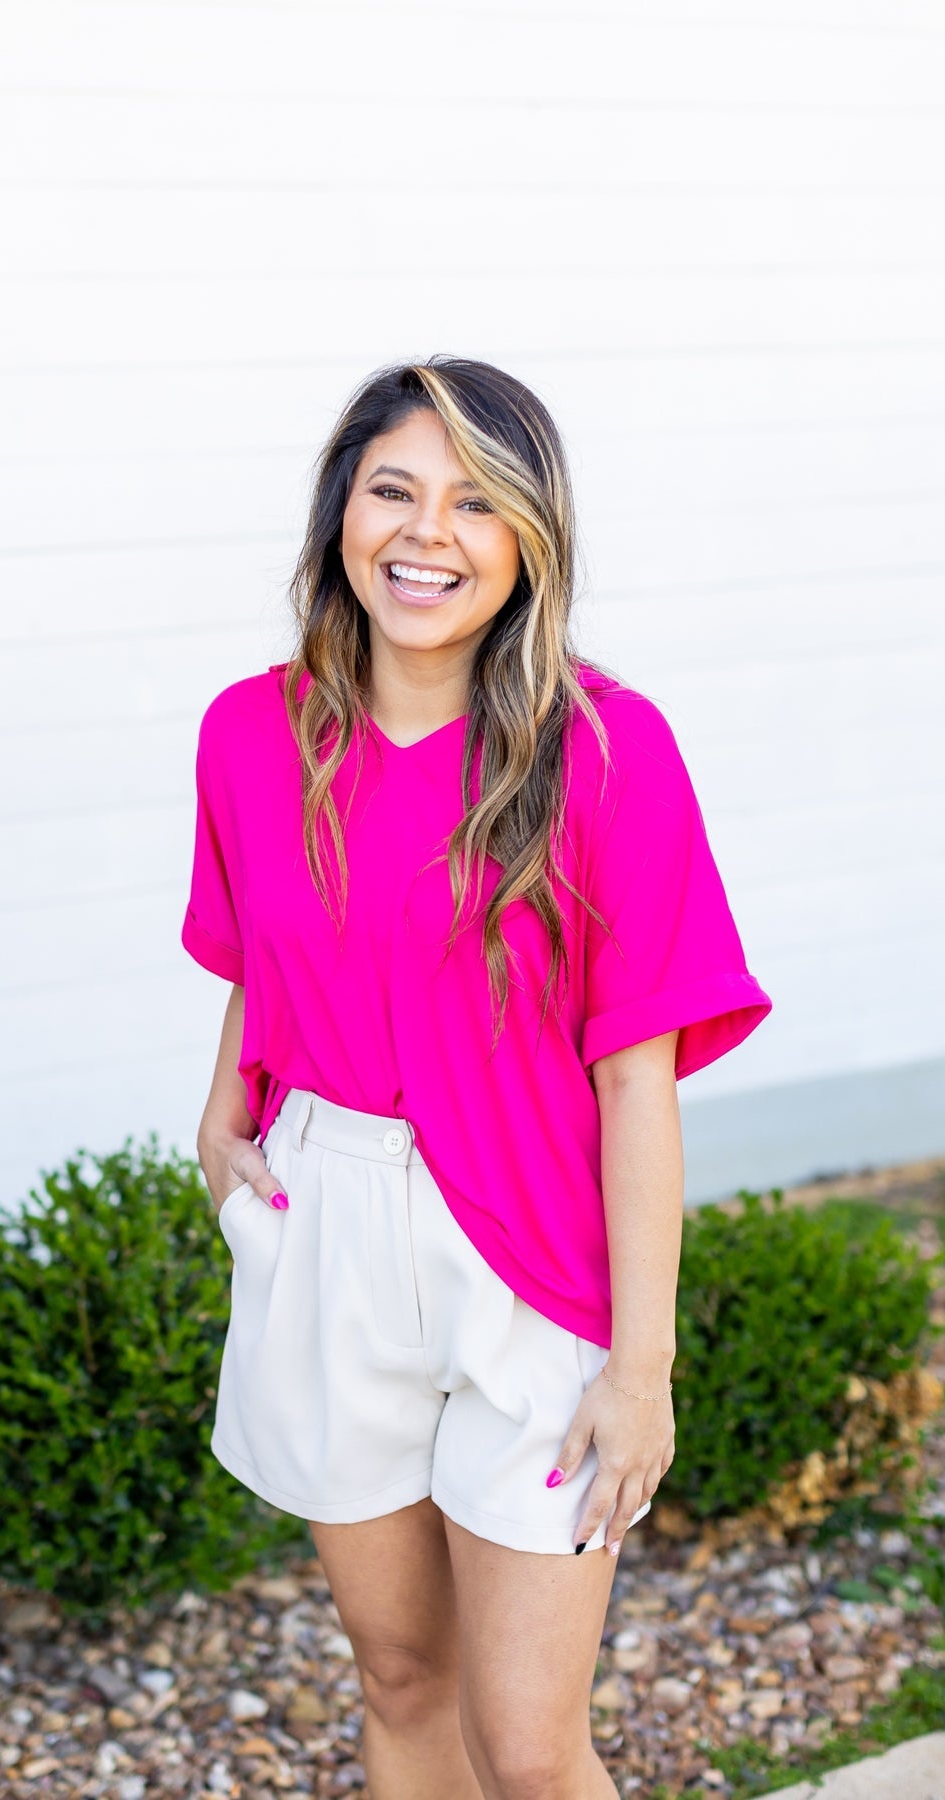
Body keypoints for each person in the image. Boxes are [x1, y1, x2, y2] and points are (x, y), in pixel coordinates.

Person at [180, 356, 772, 1800]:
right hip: (327, 1213)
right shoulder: (251, 734)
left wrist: (644, 1371)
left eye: (472, 504)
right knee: (401, 1677)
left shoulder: (606, 755)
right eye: (393, 490)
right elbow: (264, 940)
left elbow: (640, 1085)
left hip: (531, 1259)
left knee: (525, 1739)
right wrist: (225, 1107)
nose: (424, 534)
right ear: (342, 515)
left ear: (527, 541)